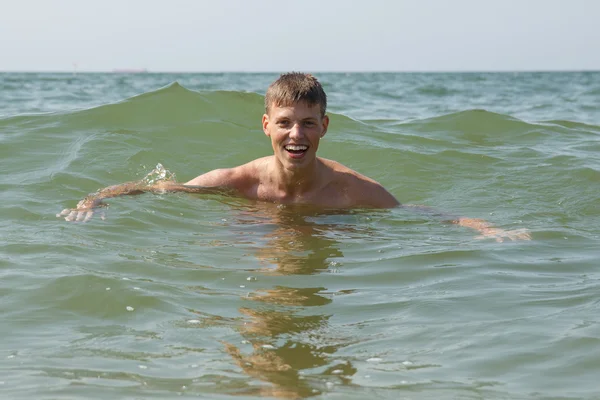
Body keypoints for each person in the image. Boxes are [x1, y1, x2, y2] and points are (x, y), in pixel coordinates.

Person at [58, 72, 530, 241]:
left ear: (325, 126)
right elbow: (159, 187)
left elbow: (417, 215)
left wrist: (485, 228)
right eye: (284, 123)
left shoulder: (349, 189)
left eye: (307, 123)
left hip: (327, 228)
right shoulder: (239, 181)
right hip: (256, 227)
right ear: (267, 126)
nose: (295, 134)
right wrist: (97, 199)